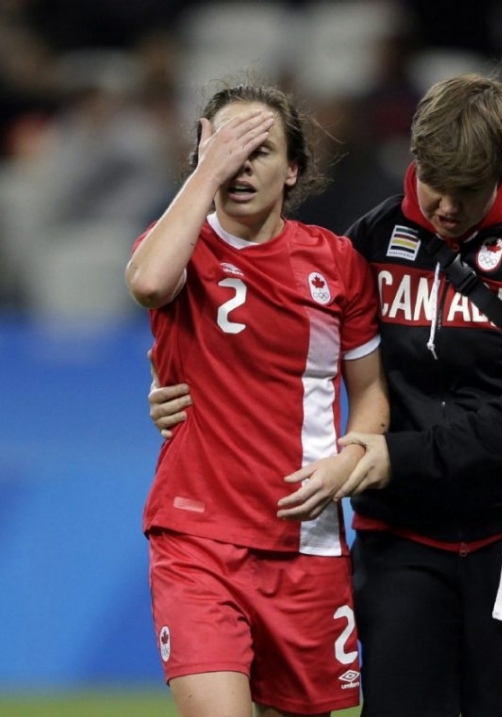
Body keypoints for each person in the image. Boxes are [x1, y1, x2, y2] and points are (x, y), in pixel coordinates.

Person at [150, 73, 502, 717]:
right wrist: (167, 380)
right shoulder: (369, 241)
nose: (444, 206)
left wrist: (399, 455)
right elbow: (271, 345)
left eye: (466, 190)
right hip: (400, 542)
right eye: (431, 181)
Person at [125, 82, 389, 717]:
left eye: (259, 151)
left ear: (293, 168)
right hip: (196, 538)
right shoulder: (176, 248)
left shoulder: (337, 263)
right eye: (222, 150)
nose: (238, 168)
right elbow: (150, 283)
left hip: (306, 541)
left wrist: (350, 456)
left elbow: (372, 393)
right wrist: (204, 169)